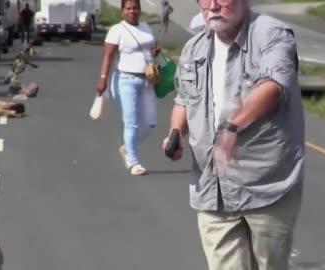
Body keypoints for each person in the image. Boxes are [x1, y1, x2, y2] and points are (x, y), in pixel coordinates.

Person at [162, 0, 305, 269]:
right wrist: (176, 132)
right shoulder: (194, 48)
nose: (213, 5)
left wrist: (231, 126)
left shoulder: (270, 34)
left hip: (265, 185)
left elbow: (273, 86)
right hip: (212, 186)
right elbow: (183, 99)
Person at [97, 0, 160, 175]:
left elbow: (149, 49)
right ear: (122, 11)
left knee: (150, 122)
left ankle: (127, 147)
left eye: (135, 8)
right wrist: (103, 79)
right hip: (126, 80)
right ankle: (133, 162)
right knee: (131, 123)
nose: (132, 11)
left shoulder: (146, 27)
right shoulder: (116, 30)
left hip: (147, 80)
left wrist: (154, 54)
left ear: (140, 9)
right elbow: (108, 57)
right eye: (128, 8)